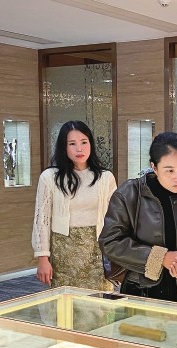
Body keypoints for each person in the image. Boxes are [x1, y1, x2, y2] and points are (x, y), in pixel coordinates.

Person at [99, 132, 177, 304]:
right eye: (169, 170)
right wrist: (162, 258)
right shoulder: (129, 194)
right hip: (139, 290)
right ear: (154, 168)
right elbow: (110, 242)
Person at [32, 120, 117, 290]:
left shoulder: (105, 178)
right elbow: (42, 220)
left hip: (97, 251)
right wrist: (43, 258)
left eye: (84, 142)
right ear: (63, 147)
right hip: (63, 251)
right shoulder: (49, 177)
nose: (79, 149)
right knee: (66, 301)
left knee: (98, 301)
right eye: (72, 144)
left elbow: (115, 219)